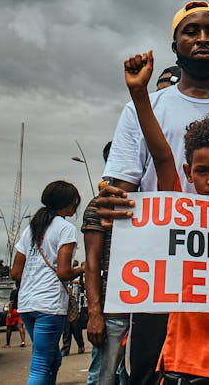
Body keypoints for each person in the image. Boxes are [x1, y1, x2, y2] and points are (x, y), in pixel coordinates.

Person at [94, 1, 209, 385]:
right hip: (159, 280)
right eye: (190, 31)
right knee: (153, 372)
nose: (202, 38)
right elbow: (129, 182)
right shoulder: (144, 110)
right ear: (174, 45)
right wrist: (110, 201)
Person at [10, 180, 84, 385]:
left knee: (53, 357)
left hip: (26, 304)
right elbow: (64, 272)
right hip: (49, 305)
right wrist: (84, 268)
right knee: (42, 363)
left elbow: (15, 272)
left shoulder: (31, 229)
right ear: (69, 203)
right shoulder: (66, 229)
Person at [84, 141, 130, 385]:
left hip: (146, 313)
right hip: (112, 311)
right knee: (104, 377)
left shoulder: (152, 202)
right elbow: (91, 263)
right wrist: (94, 313)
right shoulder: (98, 206)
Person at [61, 276, 85, 356]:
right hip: (66, 310)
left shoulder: (77, 282)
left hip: (76, 309)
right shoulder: (62, 283)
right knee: (66, 332)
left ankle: (81, 345)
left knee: (76, 331)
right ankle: (65, 348)